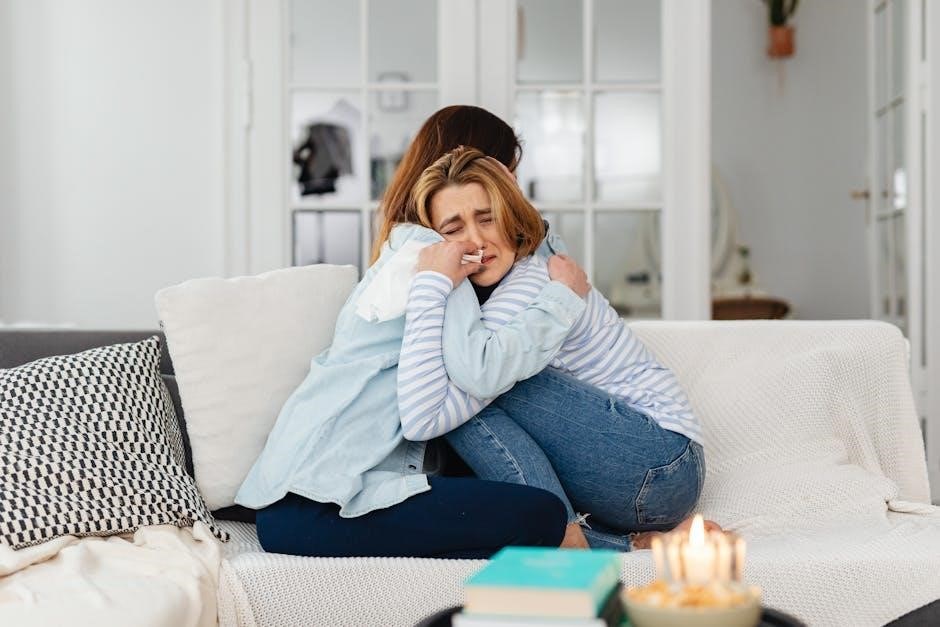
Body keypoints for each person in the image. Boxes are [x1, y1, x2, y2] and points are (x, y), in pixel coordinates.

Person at [235, 107, 593, 558]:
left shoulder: (412, 245)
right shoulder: (438, 255)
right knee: (540, 514)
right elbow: (482, 370)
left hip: (301, 495)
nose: (514, 191)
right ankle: (600, 544)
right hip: (320, 500)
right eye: (509, 175)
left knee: (513, 501)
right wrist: (563, 298)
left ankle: (614, 541)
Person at [398, 146, 713, 550]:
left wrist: (431, 285)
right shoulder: (493, 294)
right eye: (454, 229)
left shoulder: (530, 283)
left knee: (473, 383)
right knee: (474, 384)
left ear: (511, 215)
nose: (477, 240)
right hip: (643, 475)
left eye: (487, 218)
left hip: (660, 460)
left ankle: (561, 535)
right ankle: (626, 543)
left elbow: (425, 414)